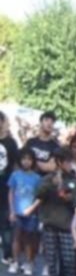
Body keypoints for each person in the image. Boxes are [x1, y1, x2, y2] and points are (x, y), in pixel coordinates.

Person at [36, 147, 76, 276]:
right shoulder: (48, 178)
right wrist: (51, 185)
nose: (70, 164)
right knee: (51, 258)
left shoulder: (74, 180)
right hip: (50, 223)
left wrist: (67, 197)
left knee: (69, 259)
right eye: (67, 161)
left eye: (71, 161)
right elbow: (38, 194)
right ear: (59, 162)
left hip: (66, 225)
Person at [9, 146, 42, 275]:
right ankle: (15, 261)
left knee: (29, 239)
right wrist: (12, 210)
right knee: (16, 237)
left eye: (29, 159)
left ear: (33, 161)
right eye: (23, 159)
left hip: (31, 213)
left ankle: (29, 263)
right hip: (17, 211)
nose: (26, 161)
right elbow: (11, 192)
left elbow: (39, 197)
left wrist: (33, 209)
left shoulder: (37, 178)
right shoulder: (15, 175)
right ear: (19, 160)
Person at [0, 111, 18, 267]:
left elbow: (15, 165)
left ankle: (7, 253)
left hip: (5, 185)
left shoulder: (11, 143)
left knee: (5, 221)